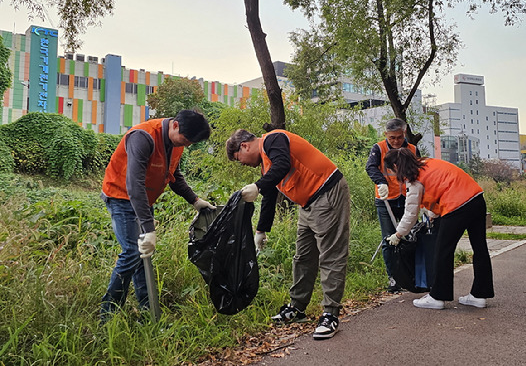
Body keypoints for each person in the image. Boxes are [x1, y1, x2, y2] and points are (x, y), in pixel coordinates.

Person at [226, 129, 350, 340]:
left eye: (240, 160)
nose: (243, 164)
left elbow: (282, 166)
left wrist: (257, 185)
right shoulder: (267, 163)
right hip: (308, 204)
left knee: (330, 256)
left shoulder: (273, 139)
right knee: (303, 257)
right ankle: (297, 307)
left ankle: (330, 314)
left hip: (327, 193)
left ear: (244, 146)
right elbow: (268, 194)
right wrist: (261, 230)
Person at [100, 109, 215, 321]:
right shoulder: (142, 137)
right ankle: (108, 314)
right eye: (186, 140)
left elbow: (174, 176)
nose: (186, 145)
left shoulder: (176, 143)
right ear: (175, 125)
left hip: (143, 200)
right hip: (121, 196)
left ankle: (148, 311)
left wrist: (195, 201)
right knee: (133, 253)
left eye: (190, 144)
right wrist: (149, 228)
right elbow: (134, 185)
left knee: (143, 255)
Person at [384, 148, 494, 309]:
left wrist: (398, 234)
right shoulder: (428, 163)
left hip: (457, 206)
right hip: (476, 198)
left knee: (443, 250)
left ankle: (437, 297)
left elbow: (410, 213)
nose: (394, 175)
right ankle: (479, 295)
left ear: (396, 165)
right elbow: (439, 189)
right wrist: (433, 213)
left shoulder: (414, 180)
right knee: (480, 248)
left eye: (392, 171)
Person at [365, 118, 420, 293]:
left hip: (407, 198)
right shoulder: (378, 148)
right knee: (389, 239)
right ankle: (394, 278)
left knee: (411, 237)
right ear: (385, 135)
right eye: (391, 138)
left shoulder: (412, 150)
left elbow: (419, 172)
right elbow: (371, 167)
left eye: (398, 137)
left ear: (404, 133)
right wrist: (381, 182)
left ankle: (413, 276)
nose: (395, 141)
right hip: (385, 199)